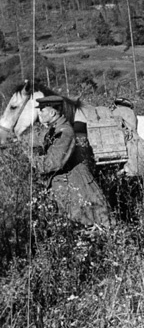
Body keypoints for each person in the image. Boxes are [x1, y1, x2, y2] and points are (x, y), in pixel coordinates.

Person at [32, 95, 111, 229]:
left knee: (91, 225)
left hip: (76, 184)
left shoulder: (65, 132)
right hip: (65, 184)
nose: (39, 113)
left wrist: (30, 160)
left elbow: (53, 162)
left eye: (42, 110)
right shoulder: (53, 130)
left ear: (52, 113)